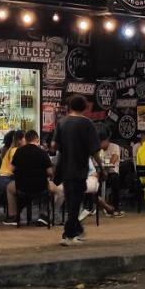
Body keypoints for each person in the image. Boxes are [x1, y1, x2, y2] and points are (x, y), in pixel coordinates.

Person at [53, 96, 99, 245]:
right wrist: (101, 167)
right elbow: (94, 150)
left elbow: (54, 145)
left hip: (65, 168)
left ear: (69, 106)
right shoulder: (87, 123)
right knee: (75, 201)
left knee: (71, 200)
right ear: (84, 107)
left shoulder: (62, 122)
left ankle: (76, 230)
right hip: (80, 168)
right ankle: (67, 235)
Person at [4, 130, 62, 225]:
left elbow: (11, 169)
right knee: (59, 192)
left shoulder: (19, 151)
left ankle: (12, 216)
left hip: (22, 186)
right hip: (41, 186)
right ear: (37, 140)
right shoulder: (43, 152)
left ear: (26, 140)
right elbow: (50, 172)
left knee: (9, 188)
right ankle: (45, 215)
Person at [97, 133, 124, 216]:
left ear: (106, 141)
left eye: (101, 142)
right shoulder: (97, 149)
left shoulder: (114, 147)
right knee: (93, 181)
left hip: (112, 173)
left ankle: (116, 207)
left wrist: (105, 169)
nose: (100, 144)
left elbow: (114, 159)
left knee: (115, 180)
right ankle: (94, 207)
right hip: (100, 172)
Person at [0, 130, 23, 194]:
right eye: (25, 139)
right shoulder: (15, 150)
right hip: (5, 179)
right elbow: (15, 168)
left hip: (3, 178)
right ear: (19, 140)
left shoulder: (12, 149)